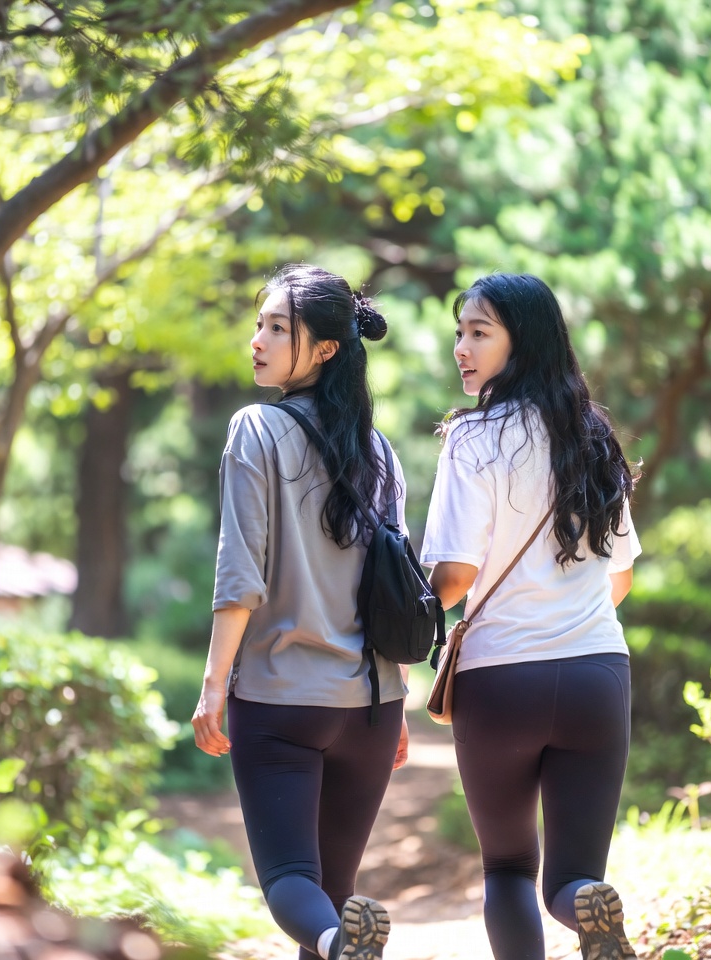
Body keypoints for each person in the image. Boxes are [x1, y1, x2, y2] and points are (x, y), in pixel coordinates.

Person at [421, 273, 642, 960]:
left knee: (508, 868)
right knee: (572, 874)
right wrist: (564, 622)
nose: (462, 347)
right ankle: (586, 910)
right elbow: (622, 575)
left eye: (479, 332)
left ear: (524, 341)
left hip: (500, 682)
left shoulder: (472, 438)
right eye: (460, 331)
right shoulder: (594, 436)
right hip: (597, 675)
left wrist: (411, 610)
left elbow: (454, 578)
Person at [191, 264, 408, 960]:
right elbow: (394, 586)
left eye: (278, 327)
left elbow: (239, 577)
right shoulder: (380, 451)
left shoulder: (254, 429)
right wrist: (398, 698)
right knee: (335, 893)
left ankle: (334, 939)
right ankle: (341, 939)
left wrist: (212, 683)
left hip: (282, 701)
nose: (257, 339)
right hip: (371, 708)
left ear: (324, 349)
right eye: (259, 323)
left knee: (292, 881)